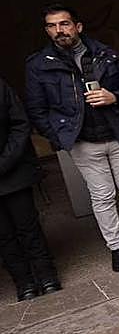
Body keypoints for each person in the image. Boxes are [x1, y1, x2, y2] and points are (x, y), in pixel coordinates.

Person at [25, 5, 119, 272]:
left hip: (118, 134)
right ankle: (117, 248)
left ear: (78, 26)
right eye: (52, 26)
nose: (59, 30)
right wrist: (61, 137)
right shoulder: (38, 65)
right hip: (82, 142)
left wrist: (114, 96)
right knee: (102, 196)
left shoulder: (106, 54)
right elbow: (37, 110)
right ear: (47, 31)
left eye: (64, 24)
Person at [0, 78, 58, 300]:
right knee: (3, 235)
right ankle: (23, 282)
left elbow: (20, 124)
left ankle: (47, 275)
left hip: (14, 171)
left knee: (28, 227)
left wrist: (4, 161)